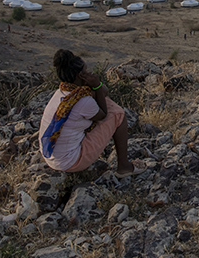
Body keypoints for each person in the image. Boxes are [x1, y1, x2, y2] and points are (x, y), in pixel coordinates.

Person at [39, 49, 143, 177]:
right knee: (118, 114)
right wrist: (97, 85)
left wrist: (97, 88)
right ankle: (124, 166)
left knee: (107, 102)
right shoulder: (83, 101)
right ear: (80, 75)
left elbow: (104, 94)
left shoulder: (63, 93)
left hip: (52, 157)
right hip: (71, 161)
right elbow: (103, 114)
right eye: (86, 71)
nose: (89, 73)